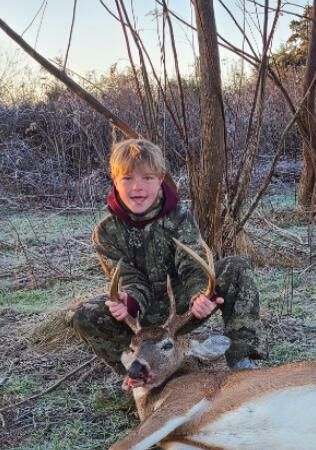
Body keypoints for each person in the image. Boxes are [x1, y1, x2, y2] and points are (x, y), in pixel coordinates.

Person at [71, 138, 264, 374]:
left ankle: (242, 362)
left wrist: (199, 297)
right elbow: (129, 279)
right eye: (127, 178)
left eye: (147, 178)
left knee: (236, 267)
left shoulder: (178, 217)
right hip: (140, 317)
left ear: (161, 180)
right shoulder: (106, 231)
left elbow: (192, 265)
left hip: (182, 311)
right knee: (83, 315)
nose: (137, 187)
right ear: (115, 182)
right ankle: (137, 375)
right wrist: (128, 303)